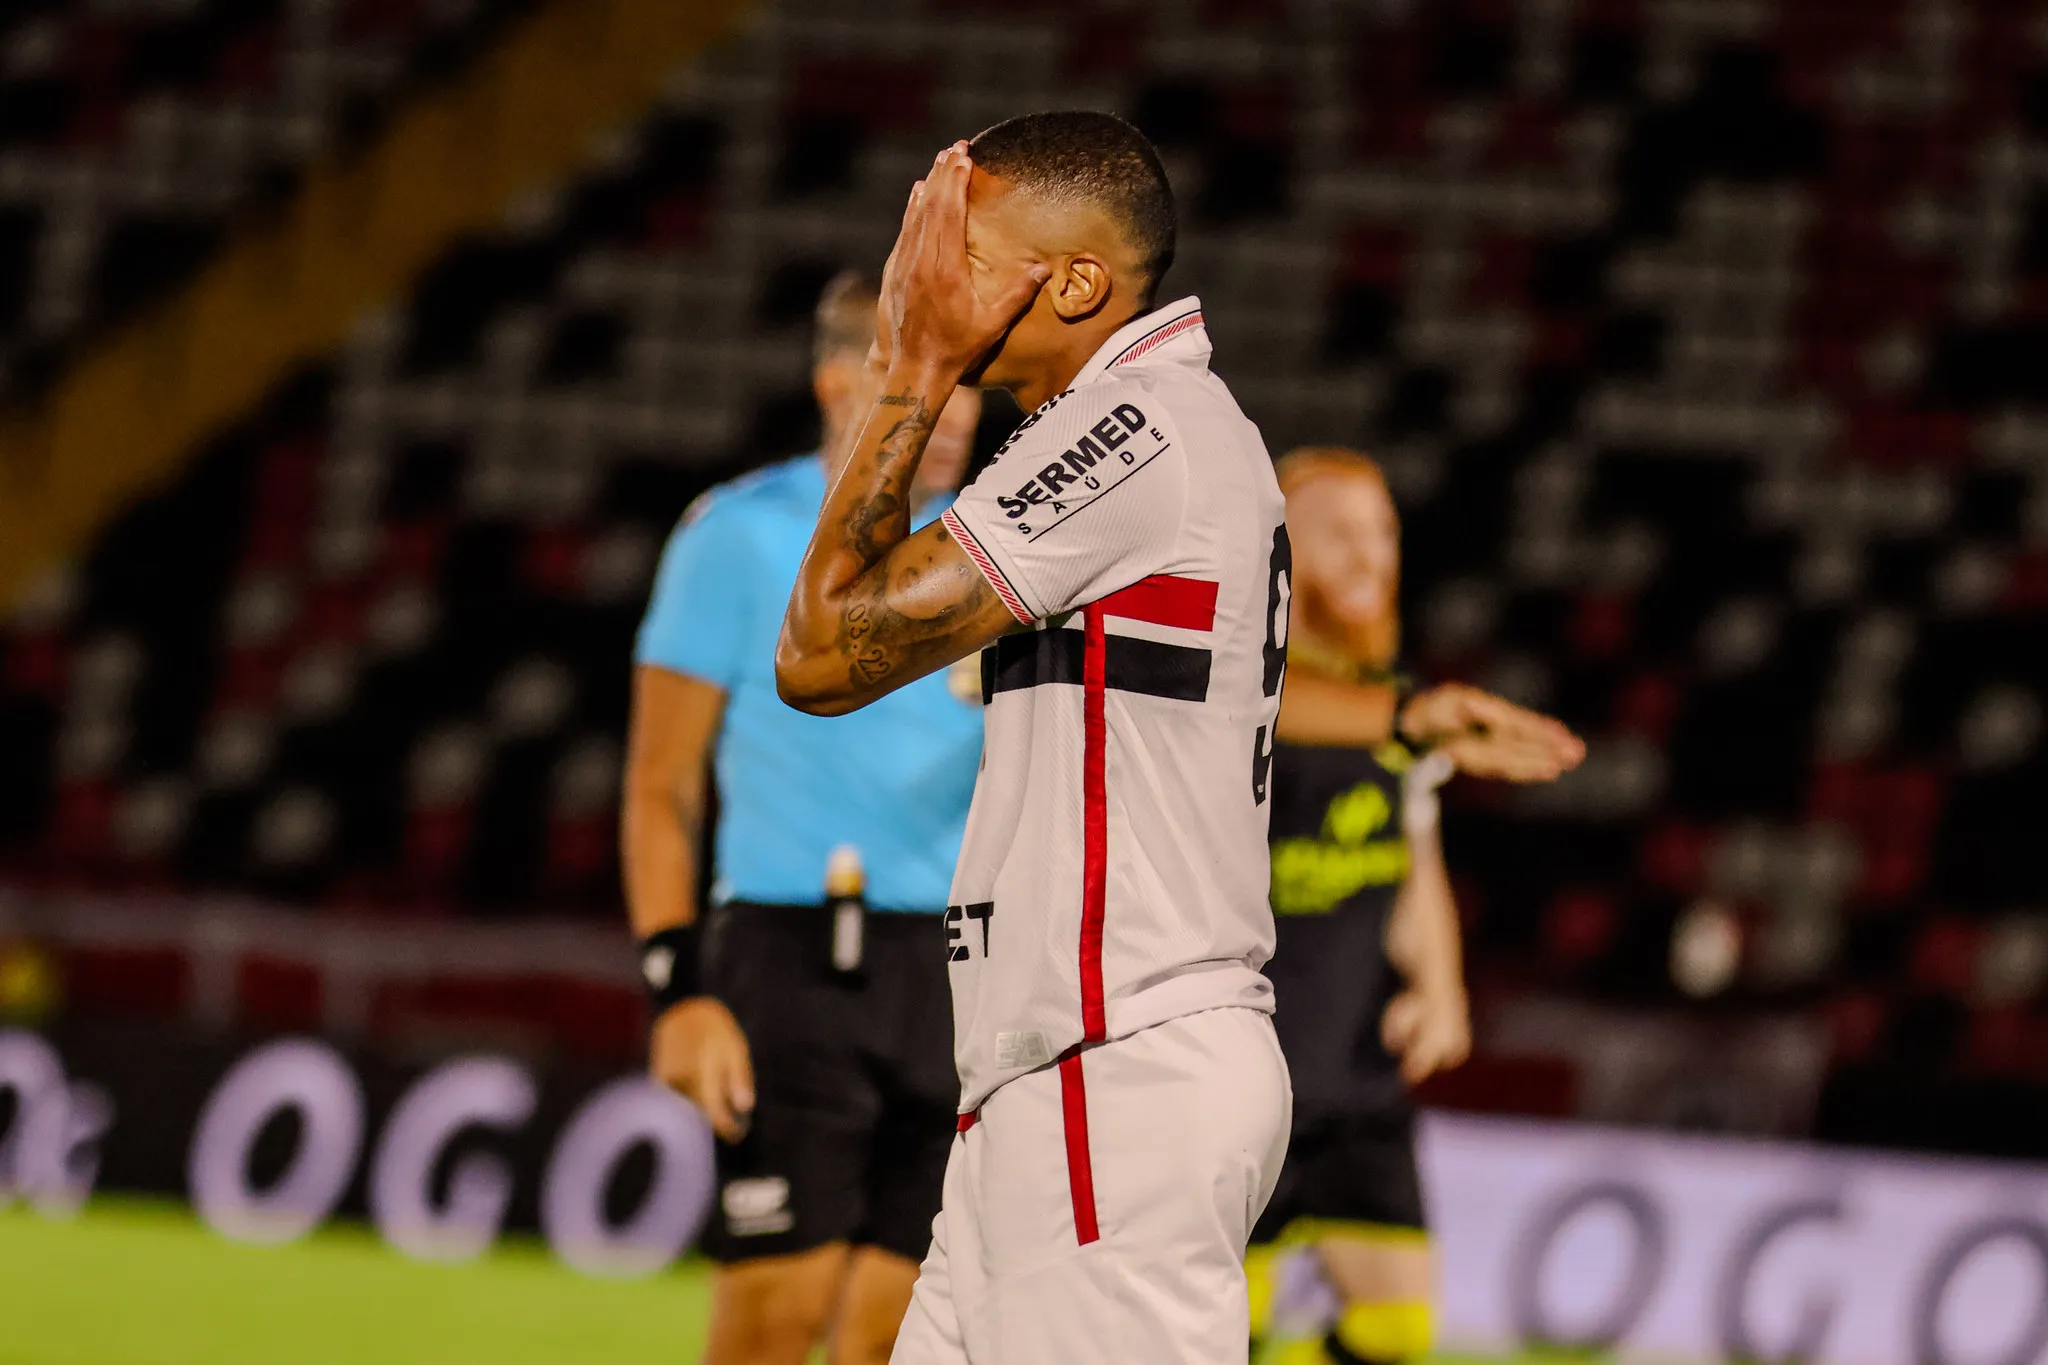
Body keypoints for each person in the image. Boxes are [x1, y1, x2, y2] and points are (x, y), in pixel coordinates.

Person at [775, 111, 1289, 1363]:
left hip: (1117, 1061)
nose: (928, 277)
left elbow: (823, 654)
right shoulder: (1144, 428)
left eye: (962, 252)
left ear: (1073, 283)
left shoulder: (1136, 428)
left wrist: (908, 363)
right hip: (1055, 1074)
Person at [623, 272, 986, 1365]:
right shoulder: (735, 538)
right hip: (792, 960)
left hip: (960, 978)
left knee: (897, 1336)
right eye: (925, 375)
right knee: (774, 1326)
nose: (957, 407)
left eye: (967, 377)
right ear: (840, 382)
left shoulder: (1001, 548)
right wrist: (676, 988)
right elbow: (659, 783)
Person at [1246, 446, 1584, 1365]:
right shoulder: (1234, 682)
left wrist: (1441, 984)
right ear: (1279, 550)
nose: (1371, 557)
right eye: (1341, 537)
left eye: (1384, 534)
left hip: (1353, 1074)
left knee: (1396, 1333)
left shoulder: (1396, 699)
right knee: (1213, 1334)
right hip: (1240, 1077)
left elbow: (1412, 855)